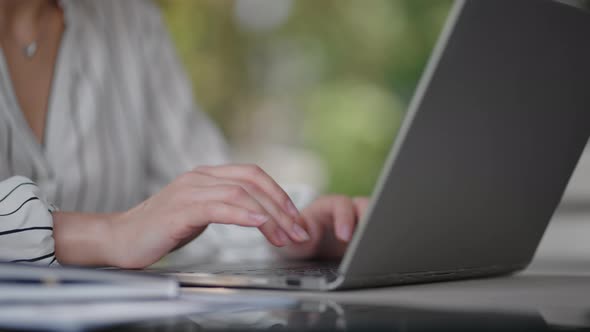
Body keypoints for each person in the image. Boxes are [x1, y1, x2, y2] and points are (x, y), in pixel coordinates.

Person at [0, 0, 370, 268]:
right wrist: (109, 234)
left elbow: (198, 201)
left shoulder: (132, 22)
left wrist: (297, 226)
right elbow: (143, 226)